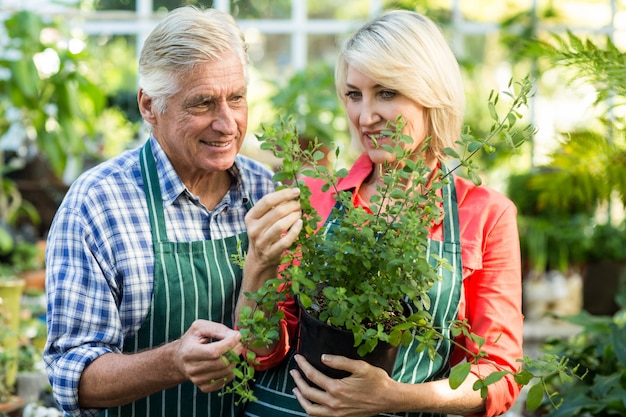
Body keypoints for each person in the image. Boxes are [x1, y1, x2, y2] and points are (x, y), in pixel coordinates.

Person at [243, 9, 524, 417]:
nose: (366, 116)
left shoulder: (484, 213)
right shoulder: (314, 195)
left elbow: (497, 376)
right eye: (354, 95)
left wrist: (393, 397)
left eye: (386, 93)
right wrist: (257, 267)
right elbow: (260, 352)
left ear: (430, 94)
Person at [43, 6, 302, 417]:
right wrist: (172, 362)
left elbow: (274, 344)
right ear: (149, 106)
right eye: (202, 104)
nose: (227, 123)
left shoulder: (263, 190)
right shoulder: (98, 203)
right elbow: (71, 377)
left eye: (236, 98)